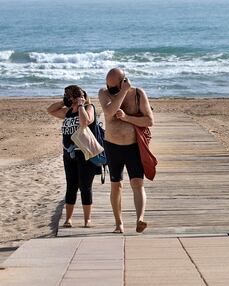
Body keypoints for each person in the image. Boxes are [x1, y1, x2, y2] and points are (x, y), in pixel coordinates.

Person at [99, 68, 154, 233]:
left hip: (133, 147)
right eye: (109, 87)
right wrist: (121, 92)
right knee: (116, 185)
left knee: (137, 183)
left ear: (124, 81)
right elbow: (109, 112)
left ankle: (140, 219)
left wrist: (127, 118)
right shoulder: (104, 94)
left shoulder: (138, 94)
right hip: (113, 146)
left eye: (114, 87)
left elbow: (149, 121)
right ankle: (119, 223)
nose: (111, 90)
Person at [47, 85, 96, 228]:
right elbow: (50, 110)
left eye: (69, 96)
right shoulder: (68, 112)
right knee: (71, 186)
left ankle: (87, 220)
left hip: (85, 153)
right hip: (69, 154)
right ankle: (68, 219)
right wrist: (64, 102)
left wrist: (81, 104)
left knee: (85, 186)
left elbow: (85, 122)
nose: (68, 98)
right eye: (67, 96)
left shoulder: (89, 108)